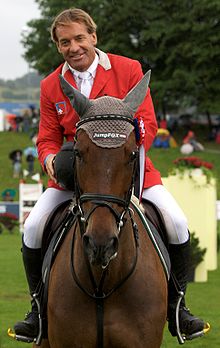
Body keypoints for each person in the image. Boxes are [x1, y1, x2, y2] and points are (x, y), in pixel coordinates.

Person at [14, 7, 206, 341]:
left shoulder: (128, 70)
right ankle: (37, 311)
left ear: (93, 36)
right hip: (75, 173)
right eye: (64, 42)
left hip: (127, 168)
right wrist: (48, 160)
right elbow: (47, 138)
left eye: (78, 38)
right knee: (32, 227)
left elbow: (148, 121)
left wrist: (116, 139)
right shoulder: (51, 86)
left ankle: (178, 308)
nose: (73, 47)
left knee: (177, 222)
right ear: (58, 46)